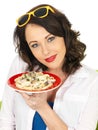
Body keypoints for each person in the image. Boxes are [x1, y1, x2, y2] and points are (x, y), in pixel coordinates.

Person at [0, 4, 98, 130]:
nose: (45, 51)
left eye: (50, 39)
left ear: (65, 35)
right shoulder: (21, 65)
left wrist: (42, 107)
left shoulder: (93, 81)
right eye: (35, 45)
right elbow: (6, 121)